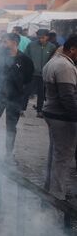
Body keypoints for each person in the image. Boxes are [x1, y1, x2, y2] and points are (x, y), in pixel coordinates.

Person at [0, 32, 34, 161]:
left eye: (5, 42)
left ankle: (8, 153)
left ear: (14, 43)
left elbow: (28, 79)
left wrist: (19, 90)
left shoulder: (25, 60)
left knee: (11, 127)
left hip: (14, 98)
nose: (2, 44)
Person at [41, 36, 77, 200]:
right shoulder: (64, 66)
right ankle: (57, 195)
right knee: (63, 157)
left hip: (52, 113)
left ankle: (48, 188)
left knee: (54, 153)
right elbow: (67, 97)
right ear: (73, 49)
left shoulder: (54, 61)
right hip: (62, 117)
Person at [25, 29, 57, 114]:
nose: (40, 39)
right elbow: (25, 58)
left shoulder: (52, 47)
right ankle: (22, 109)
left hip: (44, 75)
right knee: (27, 92)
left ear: (47, 37)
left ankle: (39, 111)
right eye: (39, 37)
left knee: (41, 94)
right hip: (32, 74)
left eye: (42, 38)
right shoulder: (31, 45)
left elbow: (53, 60)